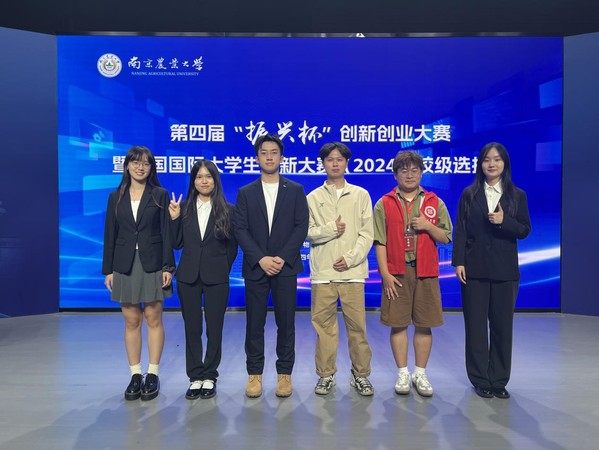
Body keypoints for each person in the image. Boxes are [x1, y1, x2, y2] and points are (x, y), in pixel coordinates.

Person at [452, 142, 531, 399]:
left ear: (505, 164)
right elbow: (461, 229)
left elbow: (524, 229)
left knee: (502, 327)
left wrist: (504, 221)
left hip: (505, 271)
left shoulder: (517, 195)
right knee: (475, 327)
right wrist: (459, 262)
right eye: (487, 159)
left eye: (497, 159)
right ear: (480, 164)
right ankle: (480, 379)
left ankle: (499, 380)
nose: (492, 164)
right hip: (473, 270)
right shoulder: (469, 194)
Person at [234, 133, 309, 398]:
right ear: (257, 158)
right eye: (264, 152)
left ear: (281, 157)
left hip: (285, 267)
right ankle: (254, 374)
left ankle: (284, 374)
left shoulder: (295, 190)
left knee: (286, 323)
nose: (269, 157)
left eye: (274, 152)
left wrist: (282, 257)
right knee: (254, 323)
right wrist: (261, 258)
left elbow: (301, 226)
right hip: (256, 267)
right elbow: (240, 229)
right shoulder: (245, 193)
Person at [373, 150, 452, 397]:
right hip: (396, 273)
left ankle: (420, 373)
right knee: (397, 324)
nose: (409, 175)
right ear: (395, 174)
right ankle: (403, 373)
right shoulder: (384, 203)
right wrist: (385, 274)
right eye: (404, 170)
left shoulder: (434, 202)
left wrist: (428, 226)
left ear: (421, 173)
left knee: (424, 324)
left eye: (414, 170)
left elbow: (446, 237)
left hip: (426, 271)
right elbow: (379, 241)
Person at [102, 145, 174, 401]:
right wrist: (108, 270)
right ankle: (135, 374)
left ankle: (152, 373)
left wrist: (168, 267)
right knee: (131, 320)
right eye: (136, 162)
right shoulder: (115, 196)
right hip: (124, 264)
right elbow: (110, 234)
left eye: (146, 163)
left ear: (151, 167)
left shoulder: (159, 194)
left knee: (153, 318)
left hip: (153, 263)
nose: (140, 167)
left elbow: (166, 232)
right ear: (127, 166)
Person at [306, 142, 375, 396]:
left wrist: (351, 258)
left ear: (346, 163)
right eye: (330, 159)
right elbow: (307, 232)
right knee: (323, 328)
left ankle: (361, 375)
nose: (335, 163)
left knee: (357, 328)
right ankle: (326, 375)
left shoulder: (361, 195)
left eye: (339, 159)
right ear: (323, 163)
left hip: (352, 273)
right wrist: (331, 230)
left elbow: (367, 234)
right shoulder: (312, 198)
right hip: (323, 274)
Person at [168, 160, 238, 400]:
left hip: (217, 277)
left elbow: (232, 247)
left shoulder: (228, 210)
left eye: (208, 176)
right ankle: (195, 376)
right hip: (187, 276)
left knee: (214, 328)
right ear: (193, 181)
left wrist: (223, 268)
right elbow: (176, 243)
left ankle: (209, 375)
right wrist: (174, 219)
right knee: (192, 328)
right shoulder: (183, 208)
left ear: (215, 180)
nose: (204, 181)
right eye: (199, 177)